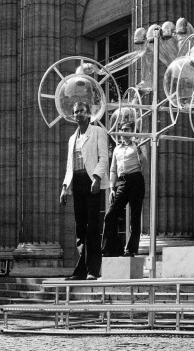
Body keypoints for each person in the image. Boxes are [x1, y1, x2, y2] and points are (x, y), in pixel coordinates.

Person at [60, 101, 110, 280]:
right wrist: (65, 187)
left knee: (92, 227)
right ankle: (81, 270)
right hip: (78, 182)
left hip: (92, 181)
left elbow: (104, 158)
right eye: (76, 112)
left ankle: (93, 270)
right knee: (80, 228)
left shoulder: (98, 132)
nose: (78, 114)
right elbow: (69, 166)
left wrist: (96, 178)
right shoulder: (72, 139)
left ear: (89, 114)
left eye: (81, 111)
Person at [101, 122, 147, 258]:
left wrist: (139, 151)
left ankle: (131, 249)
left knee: (135, 216)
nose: (123, 132)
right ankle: (111, 248)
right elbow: (113, 169)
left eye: (126, 129)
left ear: (132, 131)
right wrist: (112, 188)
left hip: (136, 179)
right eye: (121, 130)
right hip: (122, 181)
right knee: (110, 215)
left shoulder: (138, 146)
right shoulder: (117, 149)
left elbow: (145, 166)